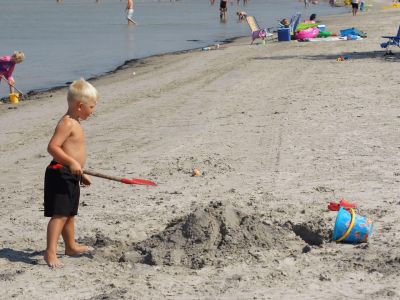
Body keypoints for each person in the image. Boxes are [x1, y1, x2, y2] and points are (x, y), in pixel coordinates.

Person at [43, 78, 99, 268]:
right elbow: (53, 147)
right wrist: (72, 162)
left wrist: (80, 172)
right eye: (92, 106)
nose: (93, 110)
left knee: (69, 213)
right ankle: (50, 252)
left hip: (71, 174)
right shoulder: (67, 123)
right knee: (59, 214)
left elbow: (72, 150)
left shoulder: (75, 121)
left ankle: (70, 246)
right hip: (60, 173)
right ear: (80, 105)